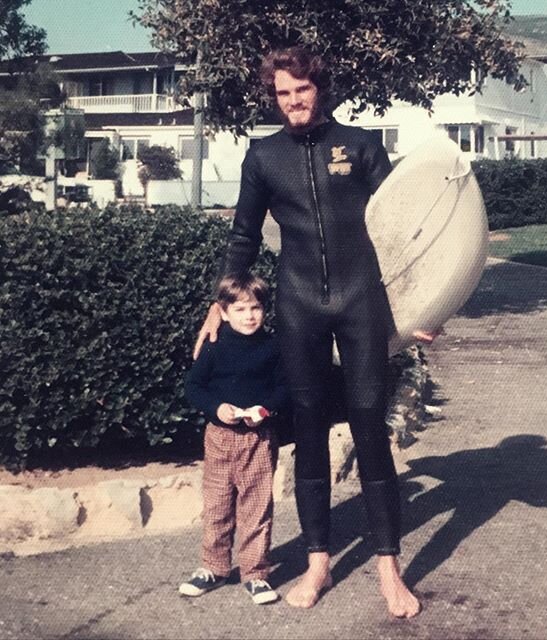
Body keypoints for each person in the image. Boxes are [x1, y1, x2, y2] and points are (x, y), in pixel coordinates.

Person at [194, 47, 437, 618]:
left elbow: (405, 227)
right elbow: (243, 239)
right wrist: (217, 302)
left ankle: (388, 566)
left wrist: (427, 303)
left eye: (300, 89)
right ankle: (319, 562)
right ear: (273, 97)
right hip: (300, 303)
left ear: (318, 89)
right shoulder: (263, 158)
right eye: (282, 92)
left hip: (361, 301)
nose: (293, 100)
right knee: (304, 427)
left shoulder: (361, 145)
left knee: (369, 423)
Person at [180, 274, 290, 605]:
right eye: (240, 309)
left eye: (255, 308)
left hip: (258, 439)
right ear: (224, 312)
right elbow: (193, 387)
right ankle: (213, 567)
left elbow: (284, 388)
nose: (249, 316)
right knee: (217, 505)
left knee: (256, 508)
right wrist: (216, 407)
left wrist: (266, 410)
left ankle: (255, 574)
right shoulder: (214, 346)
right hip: (219, 437)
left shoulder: (272, 347)